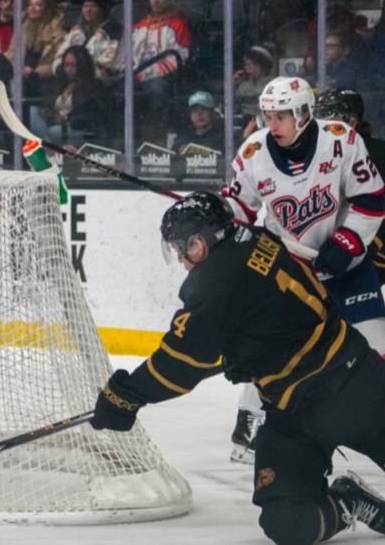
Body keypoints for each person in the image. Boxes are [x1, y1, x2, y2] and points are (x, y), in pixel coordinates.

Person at [92, 190, 385, 545]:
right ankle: (351, 501)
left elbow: (179, 364)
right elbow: (275, 305)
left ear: (200, 244)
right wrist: (251, 350)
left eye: (181, 248)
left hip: (352, 388)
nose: (181, 259)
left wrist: (125, 396)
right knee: (286, 523)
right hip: (293, 410)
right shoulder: (255, 237)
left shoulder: (215, 284)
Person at [222, 76, 385, 464]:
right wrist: (224, 219)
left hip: (348, 265)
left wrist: (347, 243)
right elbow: (237, 212)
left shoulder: (342, 140)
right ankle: (250, 425)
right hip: (292, 269)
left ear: (304, 113)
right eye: (267, 116)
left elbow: (372, 197)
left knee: (376, 344)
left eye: (281, 116)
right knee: (279, 349)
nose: (271, 124)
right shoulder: (252, 154)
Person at [314, 88, 385, 287]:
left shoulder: (377, 153)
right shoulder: (320, 155)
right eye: (318, 117)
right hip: (335, 253)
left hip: (368, 257)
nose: (321, 125)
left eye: (329, 117)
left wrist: (360, 250)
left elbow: (377, 209)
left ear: (352, 121)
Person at [131, 0, 190, 142]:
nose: (155, 0)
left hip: (162, 79)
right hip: (136, 78)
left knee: (157, 90)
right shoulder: (138, 27)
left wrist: (144, 73)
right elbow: (129, 58)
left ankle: (157, 136)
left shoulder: (178, 25)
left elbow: (179, 59)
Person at [31, 45, 111, 146]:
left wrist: (65, 120)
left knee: (52, 131)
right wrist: (50, 112)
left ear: (82, 65)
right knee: (33, 111)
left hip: (77, 128)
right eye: (66, 65)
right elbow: (47, 101)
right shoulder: (60, 83)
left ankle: (46, 147)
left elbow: (92, 115)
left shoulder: (94, 85)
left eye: (73, 66)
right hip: (55, 123)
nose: (69, 69)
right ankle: (48, 147)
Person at [52, 0, 123, 77]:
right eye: (85, 6)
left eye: (93, 6)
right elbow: (60, 56)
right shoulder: (76, 30)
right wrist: (62, 69)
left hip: (96, 82)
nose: (88, 10)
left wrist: (84, 74)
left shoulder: (112, 30)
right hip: (70, 78)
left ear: (101, 9)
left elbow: (109, 63)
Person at [16, 0, 64, 81]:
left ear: (46, 9)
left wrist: (36, 72)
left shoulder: (56, 31)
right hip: (21, 75)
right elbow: (11, 56)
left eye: (38, 5)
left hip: (41, 78)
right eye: (30, 5)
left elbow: (58, 63)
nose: (32, 8)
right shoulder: (23, 29)